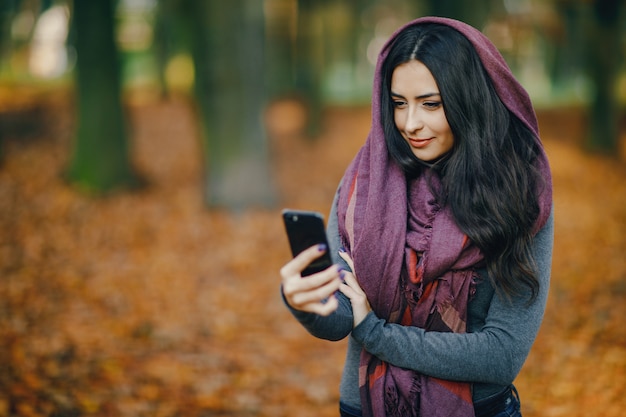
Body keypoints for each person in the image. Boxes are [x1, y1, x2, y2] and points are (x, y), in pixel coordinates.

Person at [280, 16, 553, 417]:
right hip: (365, 408)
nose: (410, 124)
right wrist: (304, 301)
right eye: (397, 104)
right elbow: (341, 318)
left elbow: (500, 354)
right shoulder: (366, 180)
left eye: (430, 104)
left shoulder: (518, 191)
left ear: (467, 99)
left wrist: (374, 331)